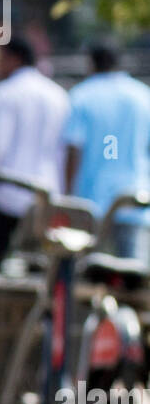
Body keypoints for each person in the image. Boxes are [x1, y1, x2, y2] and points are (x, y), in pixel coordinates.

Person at [0, 36, 69, 271]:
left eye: (0, 59)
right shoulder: (58, 95)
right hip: (46, 194)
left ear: (13, 59)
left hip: (6, 192)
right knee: (39, 264)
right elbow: (64, 150)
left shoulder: (4, 93)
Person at [63, 40, 150, 264]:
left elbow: (73, 151)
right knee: (133, 273)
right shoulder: (142, 96)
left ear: (91, 63)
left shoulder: (82, 96)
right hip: (134, 197)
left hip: (90, 203)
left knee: (87, 271)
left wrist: (67, 196)